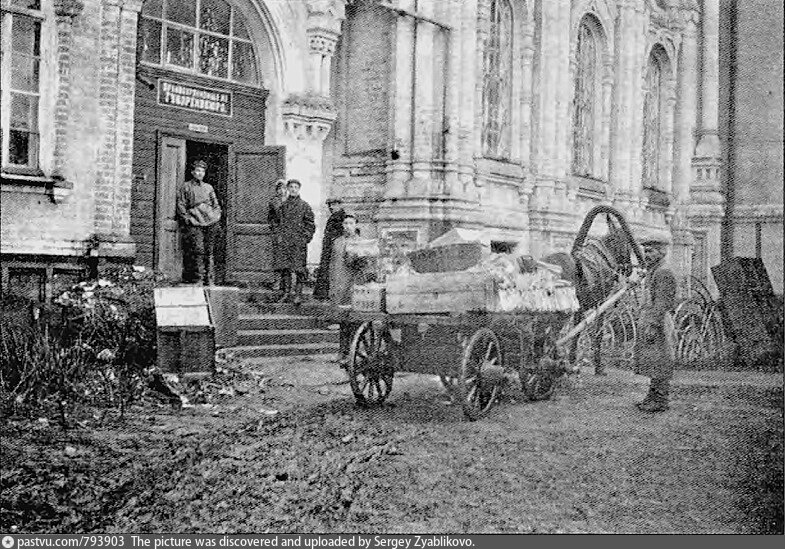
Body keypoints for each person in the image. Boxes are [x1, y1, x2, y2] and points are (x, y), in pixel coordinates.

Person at [633, 229, 677, 413]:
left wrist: (652, 324)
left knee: (660, 360)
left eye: (650, 251)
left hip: (657, 321)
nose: (646, 255)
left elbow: (662, 303)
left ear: (662, 251)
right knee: (652, 359)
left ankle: (660, 399)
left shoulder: (664, 272)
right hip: (651, 319)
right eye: (645, 251)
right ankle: (652, 396)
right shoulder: (655, 271)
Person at [176, 159, 221, 285]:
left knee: (209, 250)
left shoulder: (208, 187)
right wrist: (187, 218)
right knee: (198, 250)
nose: (200, 173)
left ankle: (209, 279)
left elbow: (216, 204)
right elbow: (181, 204)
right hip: (195, 221)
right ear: (192, 172)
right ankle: (198, 278)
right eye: (198, 171)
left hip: (210, 221)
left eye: (202, 171)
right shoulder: (186, 186)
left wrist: (216, 215)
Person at [329, 214, 366, 365]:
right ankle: (342, 352)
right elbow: (333, 264)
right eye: (345, 223)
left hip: (354, 285)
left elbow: (365, 264)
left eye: (351, 223)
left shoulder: (362, 243)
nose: (347, 226)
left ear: (356, 225)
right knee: (343, 321)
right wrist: (333, 284)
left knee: (356, 320)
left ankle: (356, 351)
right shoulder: (337, 242)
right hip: (340, 285)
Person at [278, 179, 315, 305]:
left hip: (299, 243)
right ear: (287, 189)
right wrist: (279, 236)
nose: (293, 189)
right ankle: (286, 293)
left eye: (296, 187)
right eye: (291, 187)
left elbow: (310, 225)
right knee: (285, 268)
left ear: (299, 189)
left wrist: (305, 238)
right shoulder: (283, 206)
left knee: (299, 269)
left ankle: (298, 295)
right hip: (286, 242)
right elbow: (277, 223)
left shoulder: (305, 206)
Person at [313, 198, 347, 301]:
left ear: (340, 205)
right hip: (329, 247)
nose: (331, 207)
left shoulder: (341, 217)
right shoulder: (334, 216)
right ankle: (325, 295)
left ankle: (328, 295)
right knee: (326, 270)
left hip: (334, 248)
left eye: (334, 204)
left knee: (332, 270)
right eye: (330, 205)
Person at [268, 179, 288, 299]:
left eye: (284, 188)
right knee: (278, 256)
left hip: (289, 233)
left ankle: (286, 284)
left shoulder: (291, 201)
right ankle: (276, 281)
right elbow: (278, 214)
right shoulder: (274, 201)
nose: (282, 191)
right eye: (279, 189)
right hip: (278, 232)